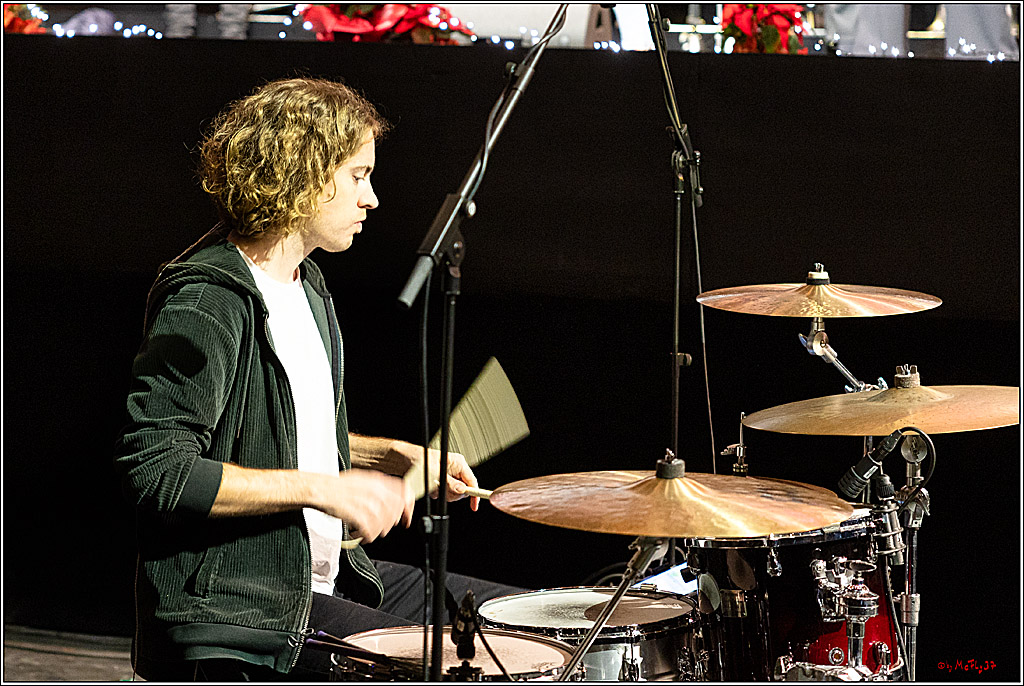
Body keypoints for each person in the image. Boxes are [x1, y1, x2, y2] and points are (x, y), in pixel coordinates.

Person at [113, 76, 522, 681]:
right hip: (242, 609)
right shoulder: (208, 300)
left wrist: (391, 457)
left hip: (311, 583)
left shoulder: (308, 287)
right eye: (359, 175)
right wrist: (327, 488)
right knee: (471, 663)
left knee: (517, 620)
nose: (373, 198)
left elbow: (268, 424)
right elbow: (157, 472)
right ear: (302, 175)